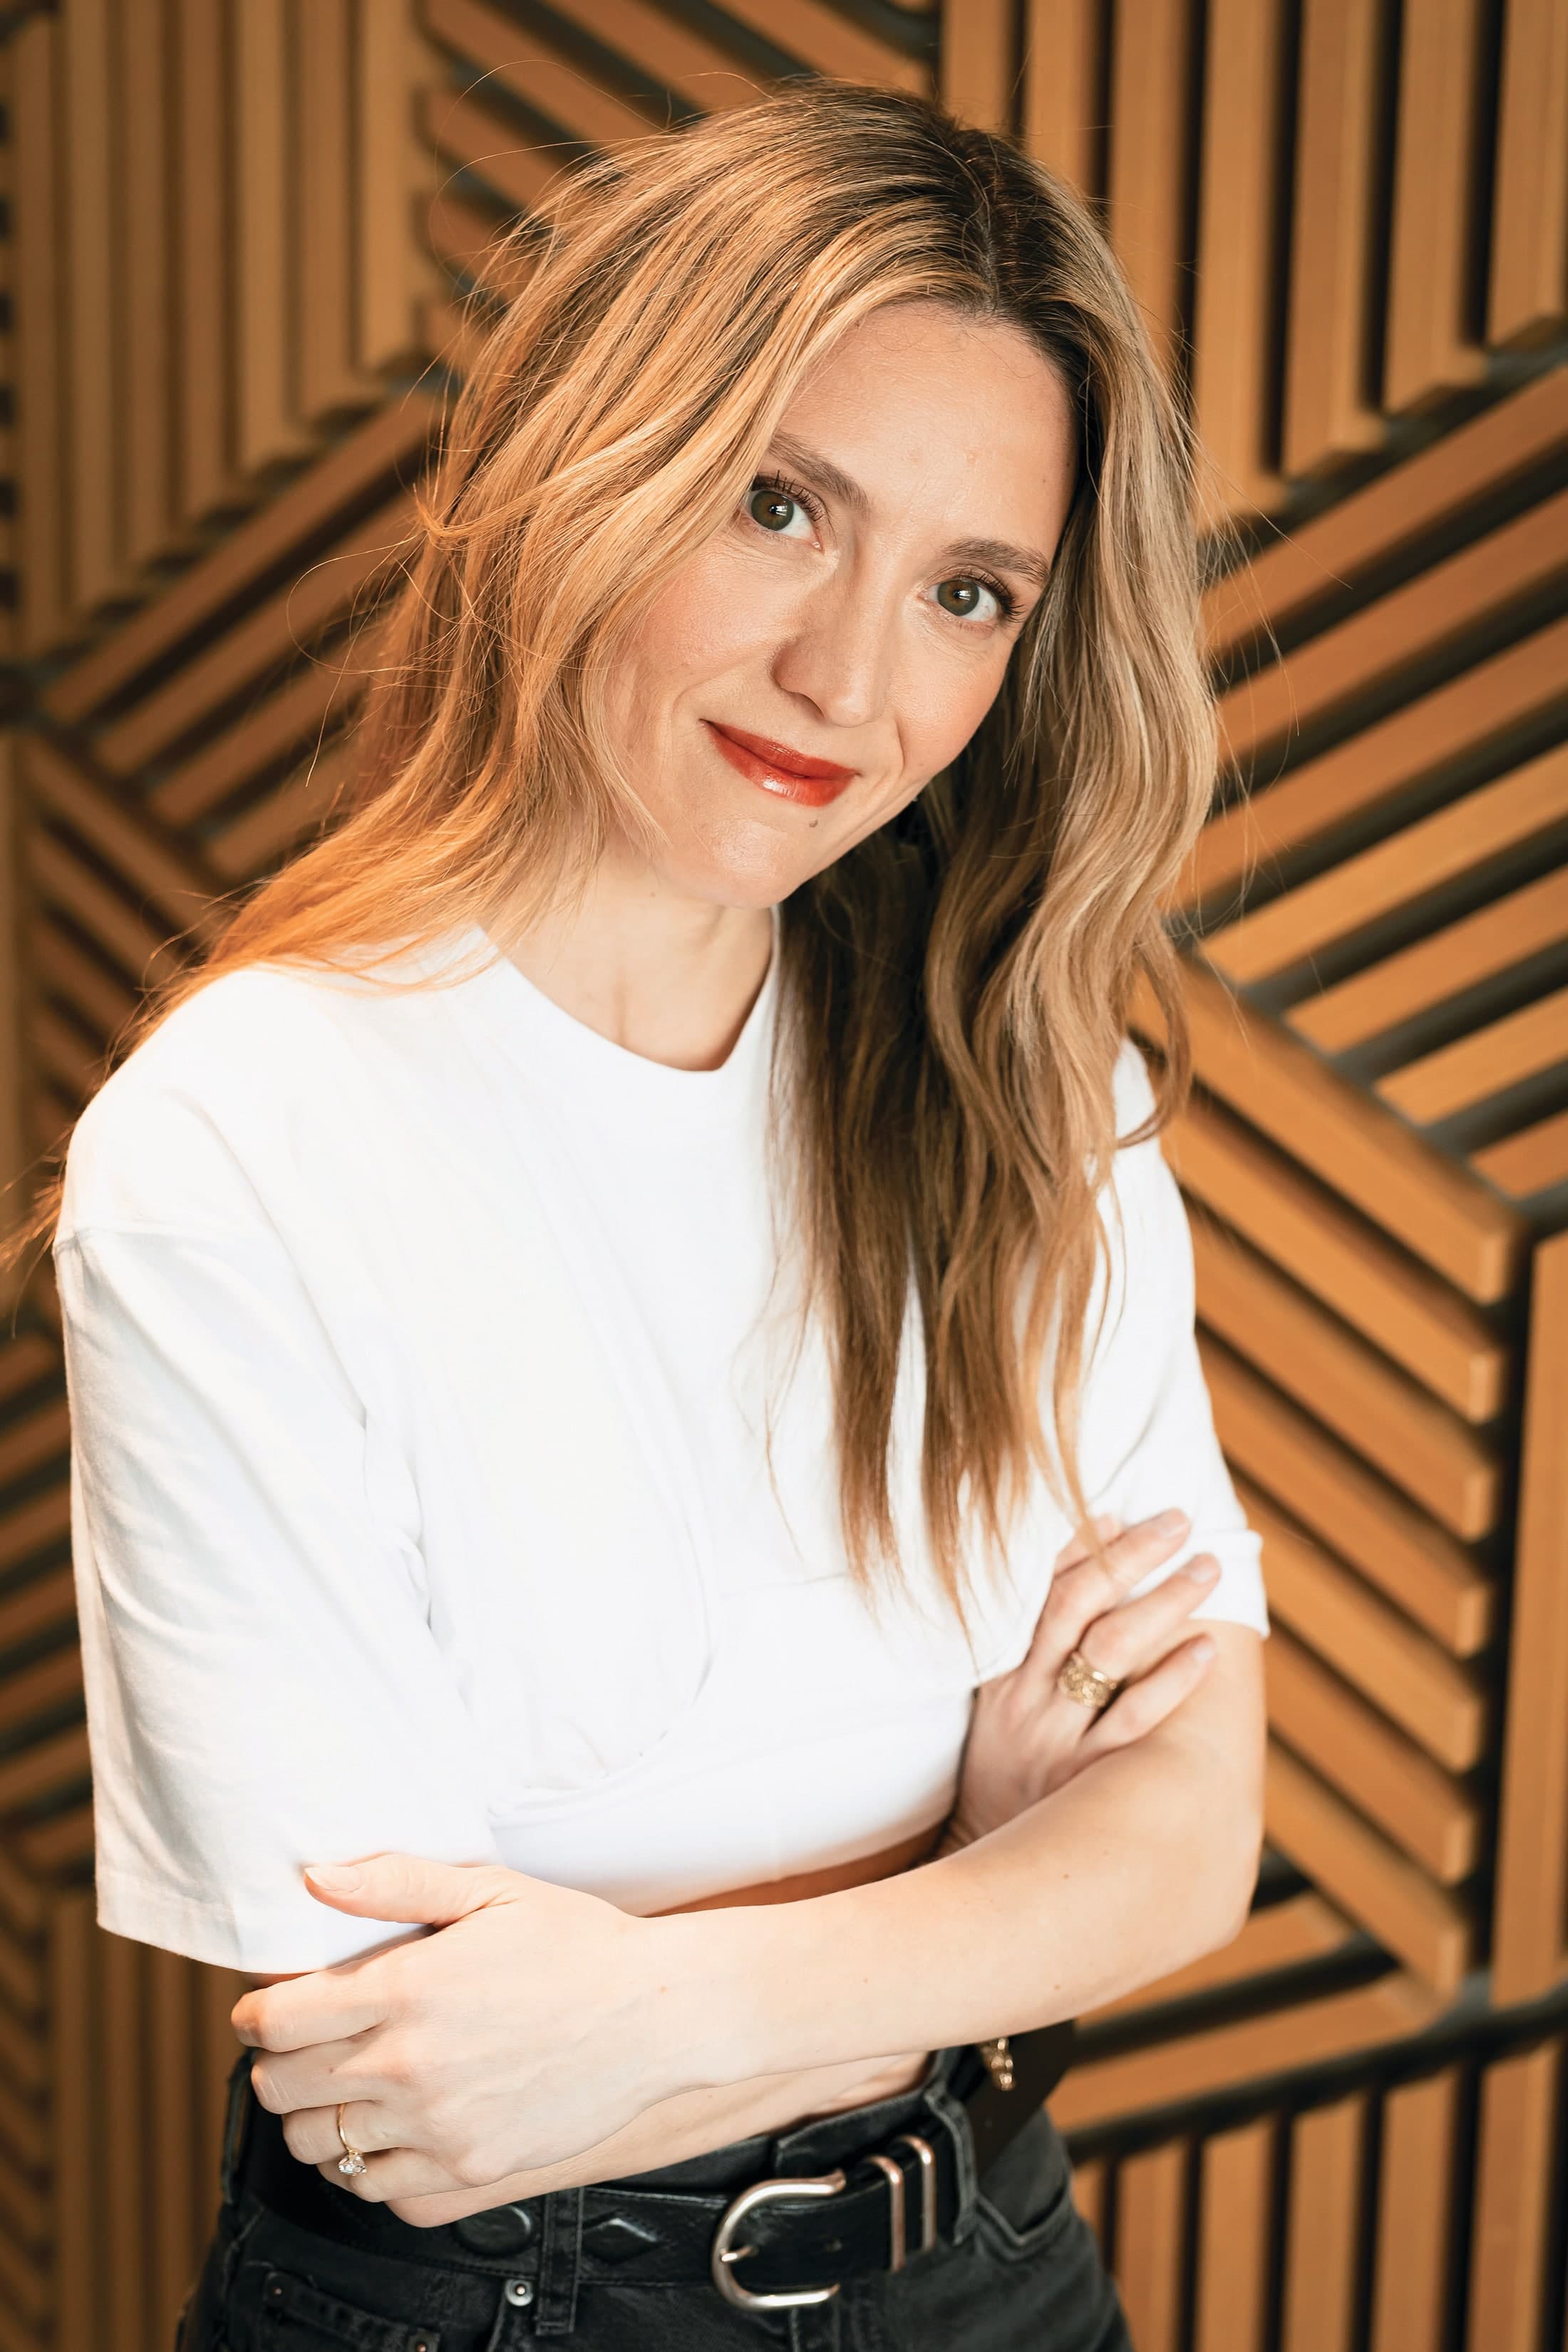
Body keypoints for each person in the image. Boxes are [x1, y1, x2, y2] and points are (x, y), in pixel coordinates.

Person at [21, 81, 1269, 2352]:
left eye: (967, 592)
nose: (850, 680)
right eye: (781, 506)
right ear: (586, 465)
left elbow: (1188, 1836)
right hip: (498, 2310)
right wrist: (982, 1881)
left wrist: (660, 1997)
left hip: (998, 2270)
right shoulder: (239, 1145)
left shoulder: (1023, 1092)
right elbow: (421, 2079)